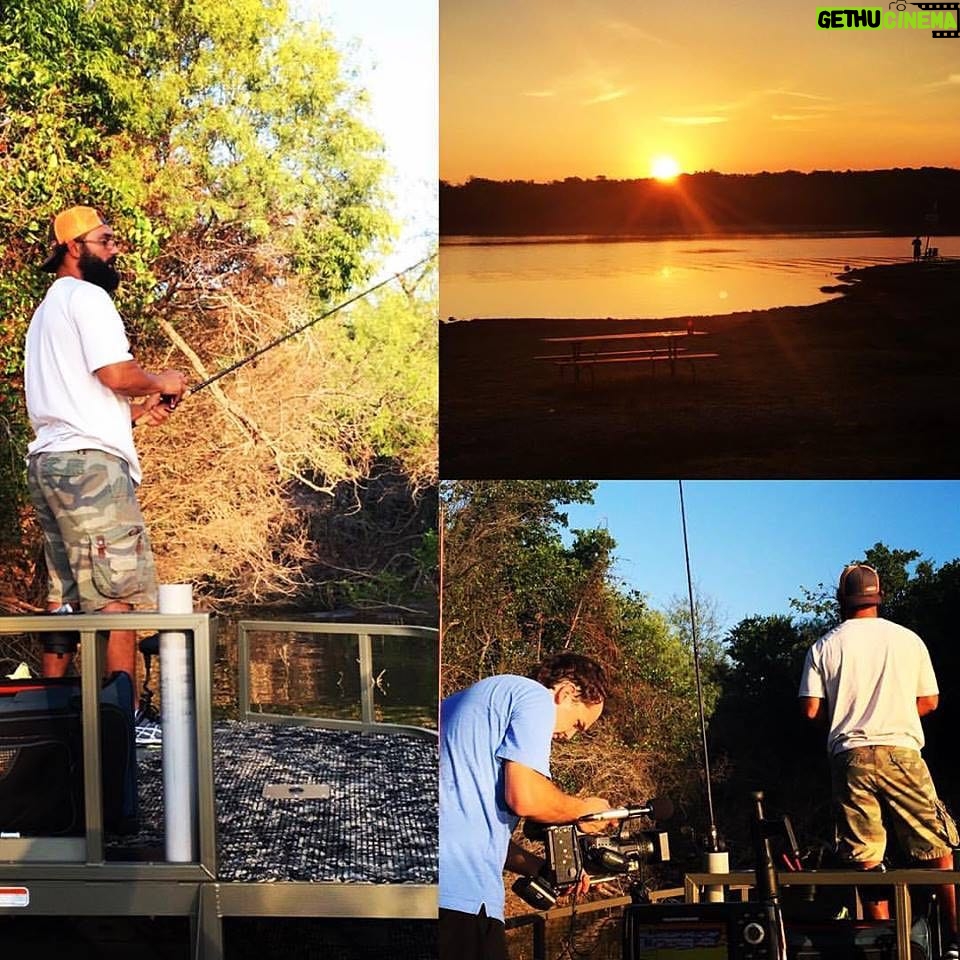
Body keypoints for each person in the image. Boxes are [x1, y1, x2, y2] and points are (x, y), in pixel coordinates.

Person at [24, 205, 188, 732]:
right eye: (106, 239)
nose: (115, 247)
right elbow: (116, 373)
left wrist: (136, 416)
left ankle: (51, 724)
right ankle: (126, 723)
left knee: (65, 598)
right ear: (75, 247)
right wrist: (163, 379)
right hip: (90, 470)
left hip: (51, 464)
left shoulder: (46, 311)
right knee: (119, 596)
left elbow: (76, 403)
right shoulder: (89, 298)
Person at [798, 563, 957, 956]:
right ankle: (956, 936)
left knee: (864, 850)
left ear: (842, 600)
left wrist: (845, 719)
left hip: (849, 755)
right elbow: (930, 701)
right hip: (902, 750)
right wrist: (895, 714)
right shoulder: (909, 640)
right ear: (878, 596)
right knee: (935, 842)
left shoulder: (824, 646)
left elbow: (810, 711)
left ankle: (883, 940)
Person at [439, 652, 611, 960]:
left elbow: (469, 833)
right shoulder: (533, 697)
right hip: (460, 902)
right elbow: (525, 797)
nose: (569, 736)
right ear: (566, 693)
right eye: (577, 724)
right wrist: (584, 810)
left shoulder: (461, 707)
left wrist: (541, 868)